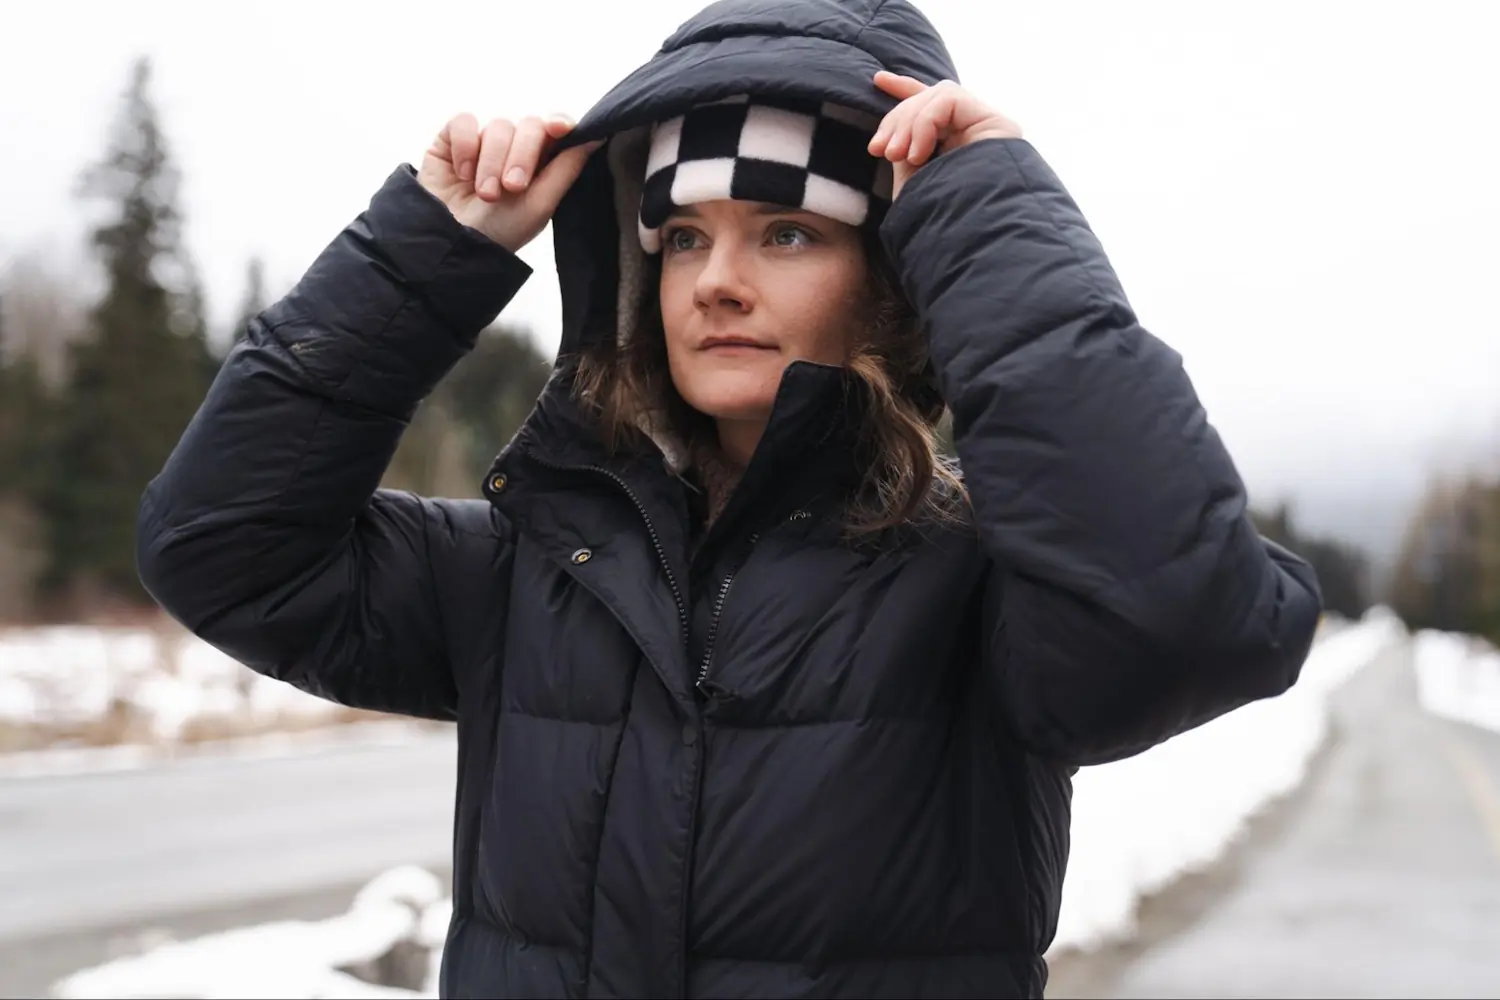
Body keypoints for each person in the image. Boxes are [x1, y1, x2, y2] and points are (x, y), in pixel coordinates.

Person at [136, 0, 1323, 996]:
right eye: (683, 237)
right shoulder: (529, 562)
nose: (719, 283)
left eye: (790, 232)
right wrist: (425, 252)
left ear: (897, 277)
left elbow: (1185, 620)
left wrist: (991, 214)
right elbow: (221, 544)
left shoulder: (984, 583)